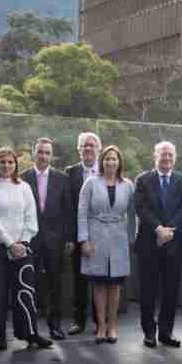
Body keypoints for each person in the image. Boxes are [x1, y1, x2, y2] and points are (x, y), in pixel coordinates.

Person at [0, 147, 52, 351]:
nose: (6, 166)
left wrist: (22, 242)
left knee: (25, 292)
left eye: (10, 162)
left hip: (23, 248)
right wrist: (10, 243)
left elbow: (31, 218)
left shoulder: (24, 187)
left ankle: (30, 334)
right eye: (2, 162)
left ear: (15, 165)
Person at [134, 141, 182, 348]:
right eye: (162, 155)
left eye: (170, 155)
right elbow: (140, 207)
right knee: (148, 291)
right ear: (155, 156)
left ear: (174, 157)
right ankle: (149, 332)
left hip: (175, 245)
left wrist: (169, 230)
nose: (166, 158)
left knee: (171, 291)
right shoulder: (143, 180)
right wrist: (158, 228)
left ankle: (166, 332)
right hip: (149, 243)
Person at [77, 145, 136, 345]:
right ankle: (101, 325)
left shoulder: (127, 184)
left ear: (119, 162)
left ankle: (113, 325)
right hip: (96, 237)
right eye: (107, 159)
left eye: (114, 159)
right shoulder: (91, 183)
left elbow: (132, 214)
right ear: (102, 161)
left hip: (118, 239)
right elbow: (82, 212)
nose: (111, 162)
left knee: (115, 284)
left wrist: (130, 238)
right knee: (100, 283)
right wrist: (84, 239)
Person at [21, 138, 75, 340]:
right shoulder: (23, 177)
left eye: (47, 153)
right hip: (31, 238)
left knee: (55, 283)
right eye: (40, 152)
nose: (43, 156)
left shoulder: (62, 178)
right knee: (30, 282)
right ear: (33, 153)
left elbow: (69, 211)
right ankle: (31, 327)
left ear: (51, 156)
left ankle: (55, 326)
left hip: (55, 239)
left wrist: (69, 238)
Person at [65, 131, 102, 336]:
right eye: (84, 146)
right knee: (79, 280)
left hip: (101, 235)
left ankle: (100, 321)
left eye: (91, 145)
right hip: (78, 236)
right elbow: (68, 209)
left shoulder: (107, 171)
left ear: (98, 149)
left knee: (99, 279)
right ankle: (78, 320)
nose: (88, 149)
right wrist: (72, 237)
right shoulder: (69, 172)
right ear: (79, 150)